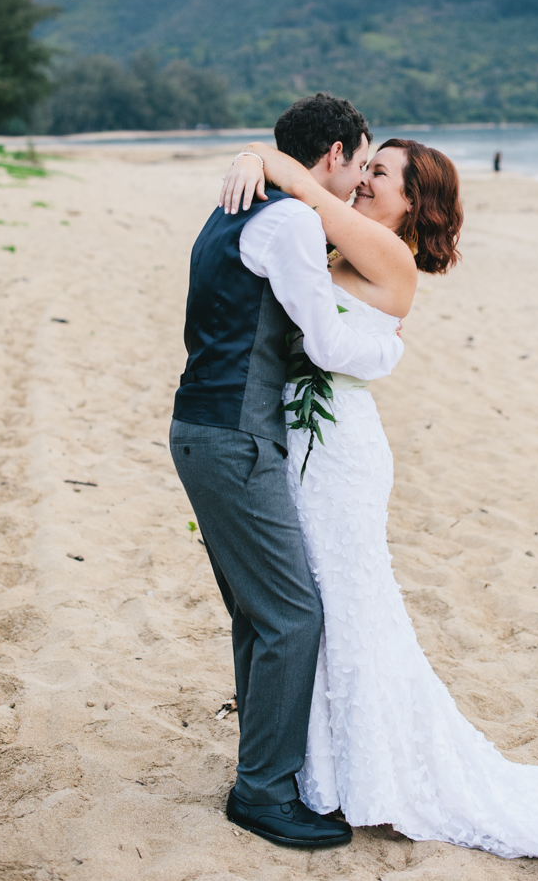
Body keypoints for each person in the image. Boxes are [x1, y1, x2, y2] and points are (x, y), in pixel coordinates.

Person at [219, 137, 538, 876]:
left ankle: (354, 773)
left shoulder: (388, 259)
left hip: (341, 459)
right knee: (310, 603)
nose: (366, 180)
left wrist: (267, 160)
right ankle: (312, 767)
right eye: (366, 167)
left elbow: (316, 203)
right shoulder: (340, 244)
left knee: (345, 604)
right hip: (297, 449)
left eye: (383, 175)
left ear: (414, 204)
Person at [169, 93, 406, 850]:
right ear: (333, 154)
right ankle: (263, 792)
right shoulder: (295, 220)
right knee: (291, 614)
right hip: (235, 437)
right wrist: (390, 351)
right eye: (360, 161)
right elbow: (329, 344)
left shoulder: (236, 203)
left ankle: (262, 771)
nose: (359, 179)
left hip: (205, 427)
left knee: (259, 612)